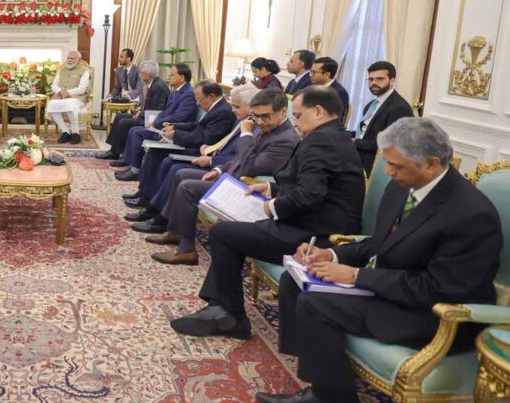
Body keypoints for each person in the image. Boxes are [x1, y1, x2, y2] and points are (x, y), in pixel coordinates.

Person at [260, 118, 501, 403]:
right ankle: (321, 390)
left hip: (435, 314)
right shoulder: (405, 185)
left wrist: (359, 276)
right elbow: (381, 243)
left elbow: (439, 288)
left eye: (395, 166)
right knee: (296, 280)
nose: (388, 173)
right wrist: (331, 255)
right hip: (396, 289)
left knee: (317, 303)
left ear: (432, 164)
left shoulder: (470, 214)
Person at [170, 86, 365, 339]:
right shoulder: (331, 136)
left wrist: (270, 207)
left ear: (318, 112)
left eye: (298, 115)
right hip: (310, 223)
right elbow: (315, 185)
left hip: (315, 234)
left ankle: (231, 316)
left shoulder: (322, 141)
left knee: (223, 233)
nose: (295, 122)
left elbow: (309, 195)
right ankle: (220, 308)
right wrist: (272, 188)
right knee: (227, 232)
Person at [149, 89, 300, 264]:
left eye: (265, 116)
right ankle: (175, 231)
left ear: (283, 111)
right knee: (181, 173)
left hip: (246, 189)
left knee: (188, 187)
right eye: (256, 116)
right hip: (230, 178)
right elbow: (238, 159)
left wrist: (246, 134)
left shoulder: (284, 139)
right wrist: (219, 170)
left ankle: (186, 250)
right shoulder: (267, 126)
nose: (260, 121)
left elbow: (250, 167)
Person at [127, 84, 259, 220]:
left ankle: (158, 214)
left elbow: (210, 139)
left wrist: (212, 158)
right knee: (158, 154)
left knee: (173, 166)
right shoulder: (240, 119)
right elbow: (201, 128)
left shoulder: (236, 118)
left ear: (251, 106)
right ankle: (147, 198)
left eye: (236, 106)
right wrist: (177, 129)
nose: (233, 109)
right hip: (209, 152)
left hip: (212, 159)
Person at [118, 81, 234, 191]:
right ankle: (144, 193)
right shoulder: (216, 107)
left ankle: (149, 200)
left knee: (160, 156)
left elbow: (204, 137)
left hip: (200, 150)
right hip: (195, 145)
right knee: (154, 151)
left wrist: (176, 135)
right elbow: (197, 126)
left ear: (211, 96)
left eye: (199, 100)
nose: (197, 104)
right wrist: (175, 127)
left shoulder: (223, 112)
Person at [112, 63, 197, 179]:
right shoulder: (176, 91)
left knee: (136, 131)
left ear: (181, 77)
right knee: (134, 130)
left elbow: (179, 117)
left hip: (171, 130)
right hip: (161, 125)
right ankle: (132, 166)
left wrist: (156, 123)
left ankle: (135, 171)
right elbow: (164, 111)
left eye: (172, 75)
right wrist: (154, 121)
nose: (168, 77)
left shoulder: (188, 94)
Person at [95, 60, 169, 160]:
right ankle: (114, 151)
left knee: (124, 122)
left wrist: (141, 114)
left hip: (152, 121)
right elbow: (151, 106)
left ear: (147, 75)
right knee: (119, 117)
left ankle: (121, 154)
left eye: (141, 74)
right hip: (146, 115)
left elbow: (158, 109)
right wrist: (140, 111)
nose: (139, 76)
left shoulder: (158, 86)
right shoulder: (154, 83)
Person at [354, 61, 414, 174]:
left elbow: (390, 145)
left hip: (375, 164)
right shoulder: (372, 104)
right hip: (358, 154)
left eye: (379, 79)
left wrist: (355, 142)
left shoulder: (399, 108)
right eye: (371, 79)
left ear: (392, 81)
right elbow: (364, 132)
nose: (374, 83)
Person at [46, 50, 91, 144]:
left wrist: (67, 93)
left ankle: (76, 133)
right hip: (62, 97)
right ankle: (65, 131)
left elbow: (82, 89)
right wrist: (59, 92)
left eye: (72, 58)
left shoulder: (84, 71)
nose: (69, 60)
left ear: (78, 60)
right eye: (68, 58)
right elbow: (54, 86)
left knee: (70, 104)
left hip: (78, 98)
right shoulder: (61, 70)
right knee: (51, 104)